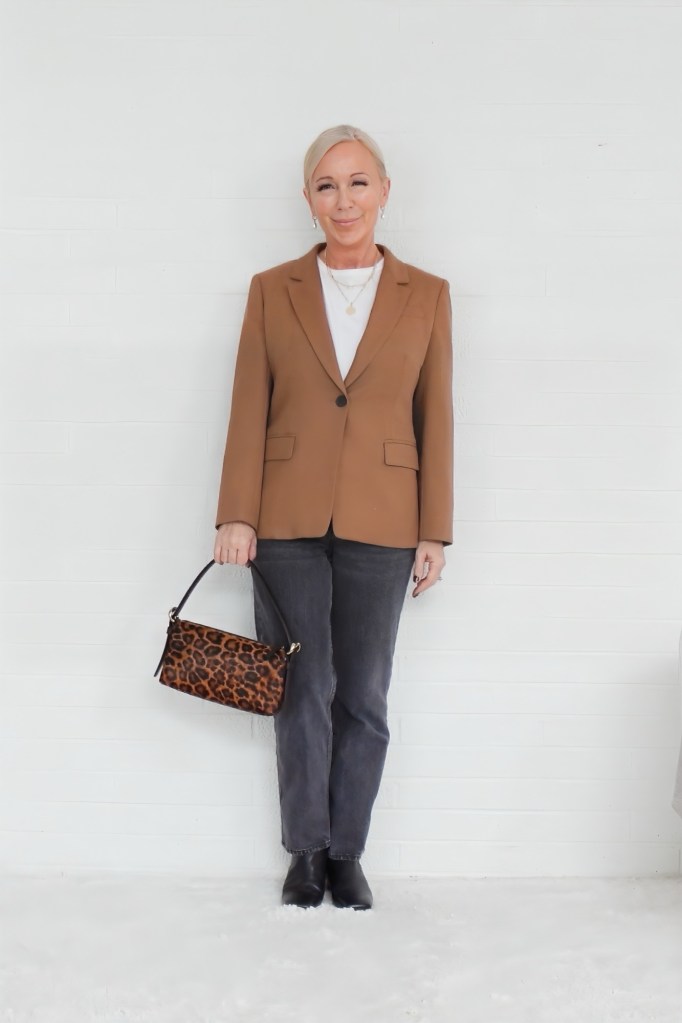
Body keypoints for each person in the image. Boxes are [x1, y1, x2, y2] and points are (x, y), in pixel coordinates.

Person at [213, 125, 453, 910]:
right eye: (326, 185)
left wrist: (434, 527)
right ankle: (306, 851)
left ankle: (348, 851)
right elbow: (248, 405)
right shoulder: (271, 288)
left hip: (386, 519)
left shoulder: (428, 293)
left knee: (364, 696)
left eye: (357, 182)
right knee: (300, 688)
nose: (343, 200)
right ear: (308, 199)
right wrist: (236, 513)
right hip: (283, 518)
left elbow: (436, 413)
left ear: (383, 192)